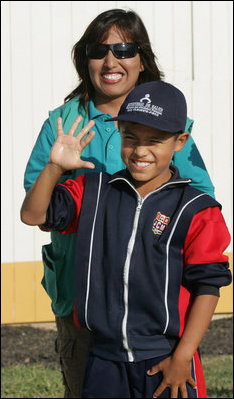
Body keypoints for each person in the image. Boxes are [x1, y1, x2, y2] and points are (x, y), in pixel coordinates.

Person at [23, 8, 216, 398]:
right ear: (86, 58)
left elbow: (200, 212)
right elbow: (36, 210)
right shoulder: (65, 124)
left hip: (156, 315)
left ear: (141, 58)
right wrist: (57, 168)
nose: (111, 60)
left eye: (125, 49)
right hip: (90, 309)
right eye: (99, 49)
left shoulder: (173, 121)